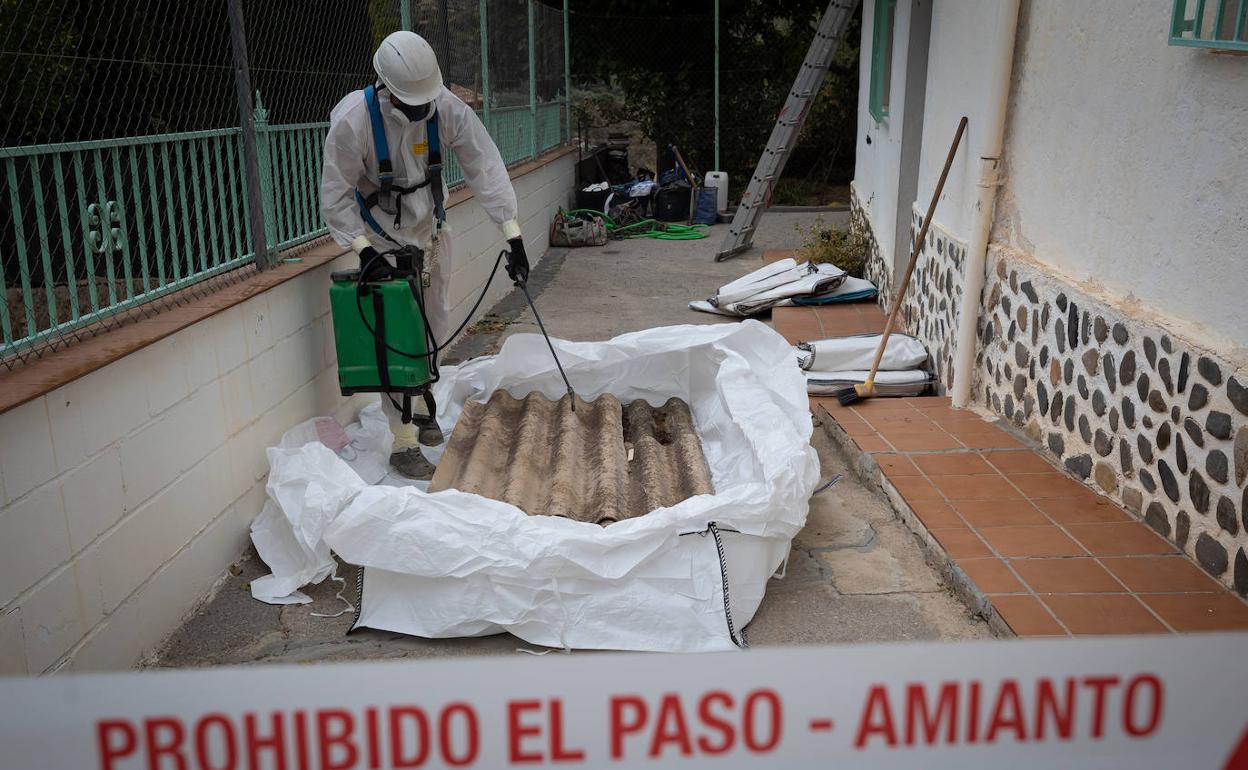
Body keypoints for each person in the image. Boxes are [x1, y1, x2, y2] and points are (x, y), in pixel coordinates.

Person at [321, 30, 529, 479]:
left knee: (435, 325)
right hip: (380, 239)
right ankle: (402, 441)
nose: (421, 109)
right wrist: (362, 251)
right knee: (396, 336)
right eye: (411, 102)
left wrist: (512, 235)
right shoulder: (353, 122)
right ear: (387, 90)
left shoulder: (445, 108)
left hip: (430, 233)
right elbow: (335, 197)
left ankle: (423, 405)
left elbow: (485, 167)